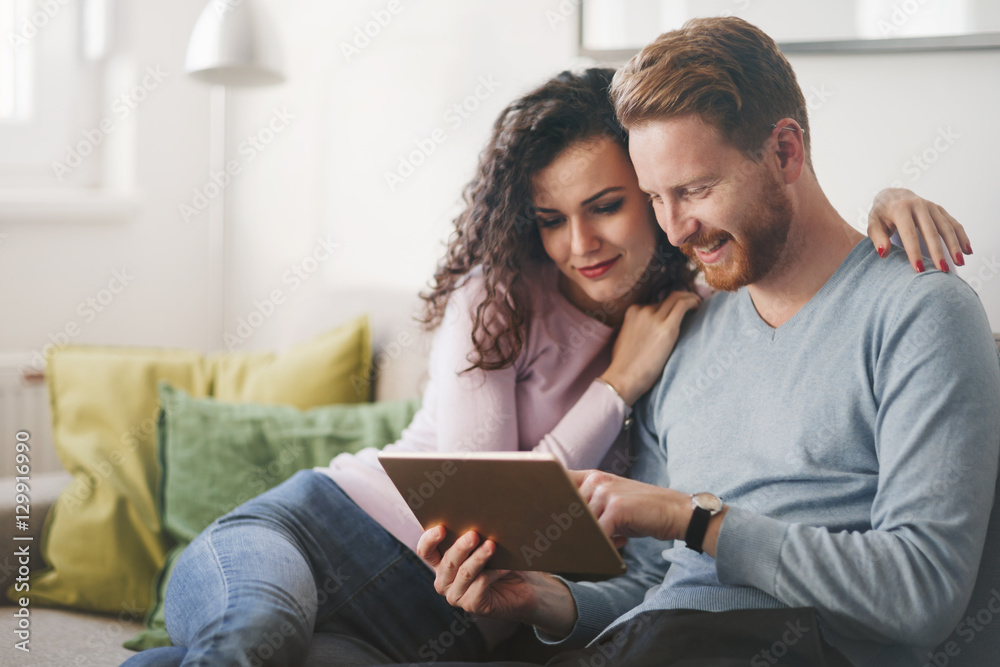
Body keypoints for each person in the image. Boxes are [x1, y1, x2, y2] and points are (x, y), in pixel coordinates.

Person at [122, 63, 969, 666]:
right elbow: (487, 498)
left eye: (611, 205)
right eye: (553, 219)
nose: (584, 243)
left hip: (443, 620)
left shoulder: (704, 309)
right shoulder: (507, 299)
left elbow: (787, 238)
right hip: (325, 534)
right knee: (256, 640)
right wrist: (618, 387)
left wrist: (892, 207)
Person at [420, 19, 1000, 667]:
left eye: (695, 190)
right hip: (653, 639)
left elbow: (922, 592)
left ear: (785, 152)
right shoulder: (688, 332)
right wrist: (543, 599)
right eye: (654, 199)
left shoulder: (921, 314)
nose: (674, 230)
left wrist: (695, 518)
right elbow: (652, 584)